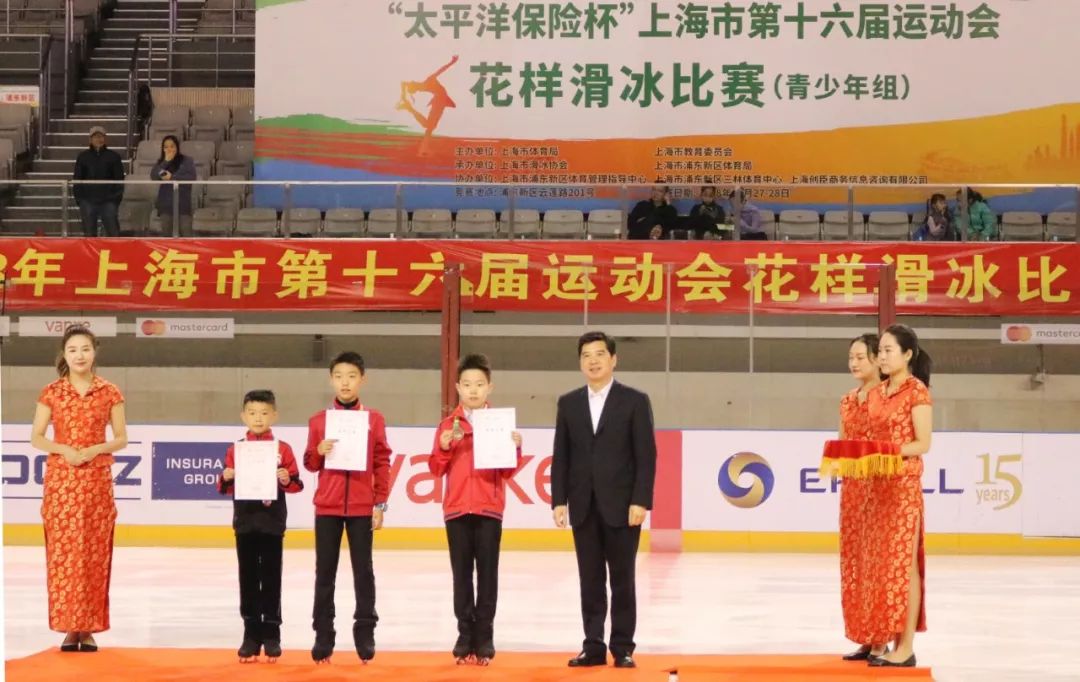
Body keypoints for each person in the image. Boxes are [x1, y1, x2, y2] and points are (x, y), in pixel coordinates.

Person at [552, 331, 657, 669]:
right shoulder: (568, 403)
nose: (593, 360)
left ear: (614, 359)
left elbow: (646, 456)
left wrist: (641, 500)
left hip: (623, 507)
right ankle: (593, 646)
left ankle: (623, 646)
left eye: (600, 354)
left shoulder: (635, 401)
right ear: (580, 362)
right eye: (586, 355)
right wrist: (559, 501)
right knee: (590, 579)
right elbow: (561, 456)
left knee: (622, 580)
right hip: (583, 505)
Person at [30, 326, 127, 653]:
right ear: (64, 354)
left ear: (94, 352)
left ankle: (89, 628)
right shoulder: (52, 392)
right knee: (63, 556)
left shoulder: (109, 391)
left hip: (97, 483)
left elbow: (121, 437)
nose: (80, 355)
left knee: (93, 555)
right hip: (62, 483)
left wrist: (97, 448)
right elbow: (37, 436)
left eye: (85, 349)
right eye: (73, 350)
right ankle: (70, 627)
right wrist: (64, 450)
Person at [428, 353, 523, 666]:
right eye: (467, 384)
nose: (472, 390)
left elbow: (508, 471)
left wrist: (515, 446)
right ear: (457, 386)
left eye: (479, 384)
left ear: (490, 387)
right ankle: (464, 633)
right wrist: (443, 447)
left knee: (487, 574)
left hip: (488, 508)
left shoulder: (499, 424)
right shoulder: (447, 425)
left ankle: (485, 635)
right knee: (461, 575)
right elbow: (435, 469)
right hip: (456, 510)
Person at [304, 352, 392, 664]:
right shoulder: (318, 421)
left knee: (363, 571)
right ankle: (323, 634)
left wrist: (380, 502)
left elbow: (382, 462)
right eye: (339, 376)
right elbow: (310, 464)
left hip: (361, 507)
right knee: (324, 573)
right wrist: (318, 450)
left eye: (351, 376)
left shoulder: (374, 420)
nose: (345, 382)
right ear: (331, 379)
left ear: (362, 380)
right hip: (327, 507)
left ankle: (365, 631)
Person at [216, 389, 303, 663]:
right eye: (252, 413)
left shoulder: (283, 449)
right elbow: (223, 487)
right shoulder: (235, 449)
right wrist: (226, 475)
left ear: (274, 415)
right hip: (245, 522)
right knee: (248, 579)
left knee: (272, 578)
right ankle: (250, 634)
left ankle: (272, 634)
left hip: (272, 523)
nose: (258, 418)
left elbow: (297, 484)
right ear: (243, 416)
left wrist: (286, 479)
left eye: (264, 413)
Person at [865, 324, 933, 668]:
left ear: (907, 355)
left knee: (905, 567)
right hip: (876, 489)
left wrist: (887, 451)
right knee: (883, 567)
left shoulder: (916, 391)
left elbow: (923, 443)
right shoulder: (877, 394)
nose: (883, 355)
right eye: (881, 349)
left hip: (903, 490)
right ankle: (885, 639)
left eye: (890, 349)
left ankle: (905, 646)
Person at [836, 334, 887, 663]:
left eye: (861, 357)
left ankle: (883, 639)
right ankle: (866, 636)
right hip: (853, 491)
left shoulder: (889, 397)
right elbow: (843, 444)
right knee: (856, 564)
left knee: (879, 564)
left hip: (881, 488)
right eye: (851, 357)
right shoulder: (846, 400)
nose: (854, 363)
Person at [397, 56, 458, 155]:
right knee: (430, 126)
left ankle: (423, 148)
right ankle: (423, 149)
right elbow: (404, 83)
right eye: (417, 90)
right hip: (439, 101)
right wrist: (403, 96)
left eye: (417, 89)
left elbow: (441, 70)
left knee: (429, 126)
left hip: (441, 100)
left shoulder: (429, 80)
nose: (419, 90)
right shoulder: (424, 84)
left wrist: (451, 62)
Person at [72, 126, 124, 237]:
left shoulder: (114, 157)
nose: (98, 139)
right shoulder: (83, 157)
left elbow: (119, 180)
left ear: (105, 139)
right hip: (88, 201)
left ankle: (115, 254)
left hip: (109, 201)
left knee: (114, 234)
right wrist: (81, 200)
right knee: (89, 235)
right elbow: (77, 179)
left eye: (101, 136)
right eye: (95, 136)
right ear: (90, 139)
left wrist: (114, 200)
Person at [151, 135, 197, 237]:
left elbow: (191, 177)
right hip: (166, 204)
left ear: (177, 147)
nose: (169, 149)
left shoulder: (187, 161)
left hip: (183, 203)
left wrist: (172, 177)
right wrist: (166, 162)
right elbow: (154, 175)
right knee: (166, 235)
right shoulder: (161, 163)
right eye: (166, 147)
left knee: (186, 235)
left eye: (172, 146)